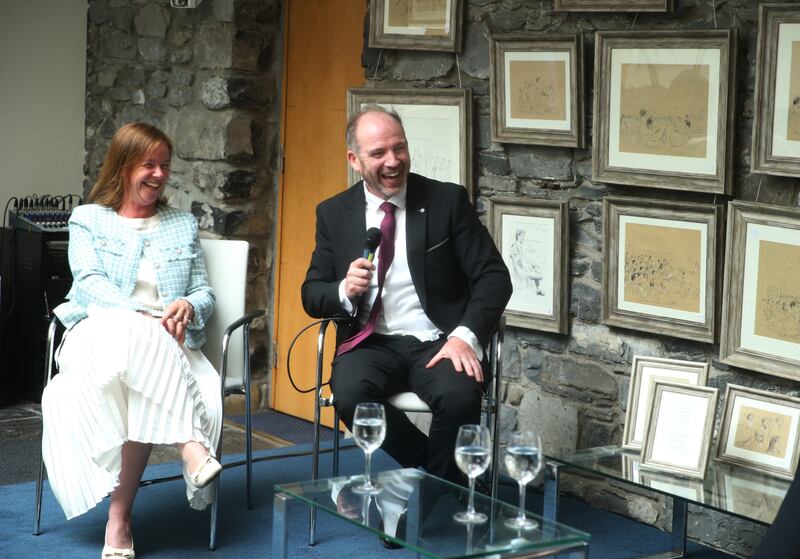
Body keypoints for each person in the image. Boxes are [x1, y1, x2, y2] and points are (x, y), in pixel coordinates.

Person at [301, 106, 512, 486]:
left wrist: (465, 336)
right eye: (378, 153)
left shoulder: (446, 201)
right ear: (354, 160)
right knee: (350, 396)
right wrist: (343, 290)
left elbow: (494, 278)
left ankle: (418, 499)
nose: (393, 161)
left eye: (399, 148)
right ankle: (435, 480)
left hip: (438, 340)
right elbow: (312, 294)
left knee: (460, 397)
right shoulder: (333, 213)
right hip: (371, 342)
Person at [41, 122, 222, 559]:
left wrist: (189, 308)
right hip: (97, 336)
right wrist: (147, 314)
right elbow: (91, 283)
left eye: (164, 165)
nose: (159, 175)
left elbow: (204, 291)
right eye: (149, 164)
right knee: (135, 333)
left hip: (168, 345)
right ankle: (190, 447)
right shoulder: (88, 219)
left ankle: (118, 521)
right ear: (123, 167)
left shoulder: (182, 224)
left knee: (137, 383)